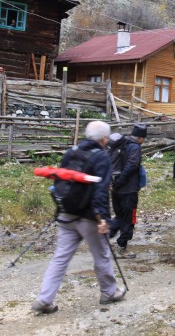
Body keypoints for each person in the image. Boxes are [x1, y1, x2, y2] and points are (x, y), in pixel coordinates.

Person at [33, 120, 126, 314]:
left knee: (60, 258)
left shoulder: (71, 152)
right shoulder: (101, 157)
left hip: (66, 212)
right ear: (103, 139)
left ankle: (44, 299)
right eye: (106, 138)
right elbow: (100, 190)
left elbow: (61, 179)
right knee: (101, 255)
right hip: (89, 216)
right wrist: (103, 219)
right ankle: (109, 292)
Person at [109, 123, 146, 259]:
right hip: (128, 190)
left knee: (119, 216)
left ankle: (106, 236)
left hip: (115, 188)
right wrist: (119, 182)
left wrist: (114, 183)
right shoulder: (135, 147)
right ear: (141, 137)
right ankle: (122, 247)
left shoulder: (121, 144)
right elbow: (131, 165)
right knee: (129, 218)